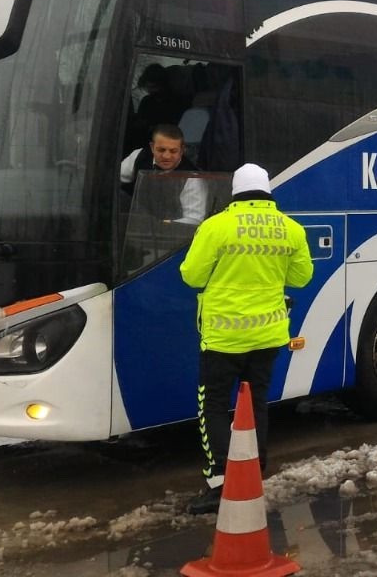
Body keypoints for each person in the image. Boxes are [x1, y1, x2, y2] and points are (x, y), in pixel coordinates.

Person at [179, 163, 313, 514]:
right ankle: (253, 473)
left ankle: (220, 481)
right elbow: (301, 277)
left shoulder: (216, 226)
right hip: (269, 335)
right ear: (267, 191)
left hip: (224, 338)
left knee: (213, 406)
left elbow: (191, 275)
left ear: (235, 192)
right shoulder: (291, 229)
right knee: (255, 405)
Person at [120, 124, 206, 225]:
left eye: (173, 151)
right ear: (152, 147)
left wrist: (162, 225)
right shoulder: (138, 156)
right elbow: (111, 181)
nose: (166, 156)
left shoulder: (192, 178)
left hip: (170, 234)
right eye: (161, 150)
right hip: (133, 224)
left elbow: (194, 219)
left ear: (182, 150)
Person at [126, 63, 192, 153]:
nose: (151, 91)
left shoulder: (178, 103)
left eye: (154, 87)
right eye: (148, 88)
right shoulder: (146, 102)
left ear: (162, 84)